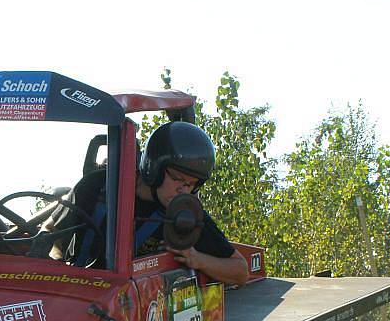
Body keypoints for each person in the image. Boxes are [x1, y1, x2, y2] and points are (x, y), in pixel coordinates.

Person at [47, 122, 248, 286]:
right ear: (155, 167)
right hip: (76, 292)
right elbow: (51, 235)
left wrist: (197, 259)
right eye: (178, 179)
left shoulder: (185, 215)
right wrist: (55, 265)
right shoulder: (96, 186)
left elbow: (240, 270)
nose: (183, 190)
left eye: (191, 184)